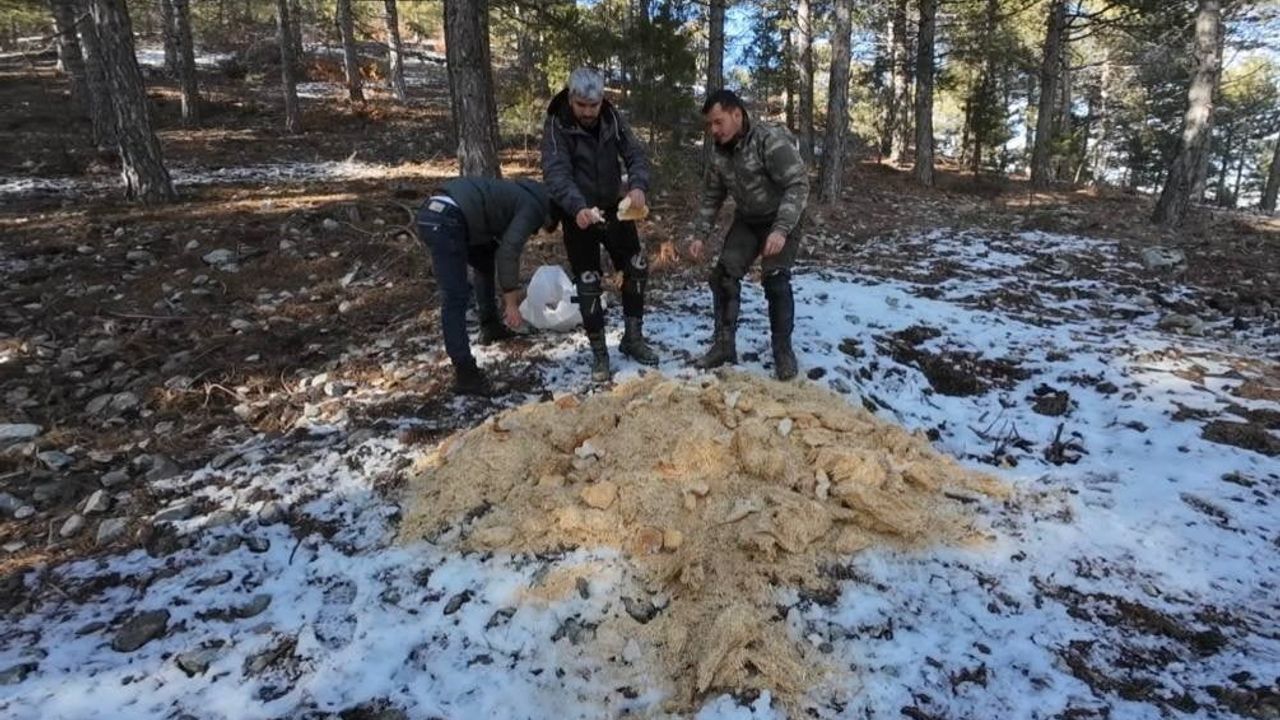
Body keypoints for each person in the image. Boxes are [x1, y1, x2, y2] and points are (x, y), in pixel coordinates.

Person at [541, 67, 659, 382]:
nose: (589, 113)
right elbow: (555, 172)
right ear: (571, 99)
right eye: (582, 106)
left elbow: (635, 154)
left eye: (594, 106)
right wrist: (577, 207)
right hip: (576, 211)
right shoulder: (557, 123)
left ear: (602, 100)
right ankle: (599, 354)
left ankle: (633, 338)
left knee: (636, 265)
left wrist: (637, 186)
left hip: (612, 206)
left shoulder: (611, 117)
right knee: (589, 280)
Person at [687, 89, 808, 381]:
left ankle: (782, 351)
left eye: (718, 122)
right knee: (723, 275)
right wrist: (700, 234)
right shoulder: (719, 153)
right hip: (748, 220)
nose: (713, 130)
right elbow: (712, 196)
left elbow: (798, 184)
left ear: (737, 114)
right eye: (710, 125)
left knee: (775, 278)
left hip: (782, 216)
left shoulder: (768, 140)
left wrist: (781, 230)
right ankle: (724, 346)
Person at [416, 176, 553, 396]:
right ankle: (466, 374)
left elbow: (498, 247)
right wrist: (511, 303)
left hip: (437, 211)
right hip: (446, 220)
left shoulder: (517, 193)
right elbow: (509, 251)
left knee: (484, 259)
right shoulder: (533, 207)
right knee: (455, 296)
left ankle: (490, 326)